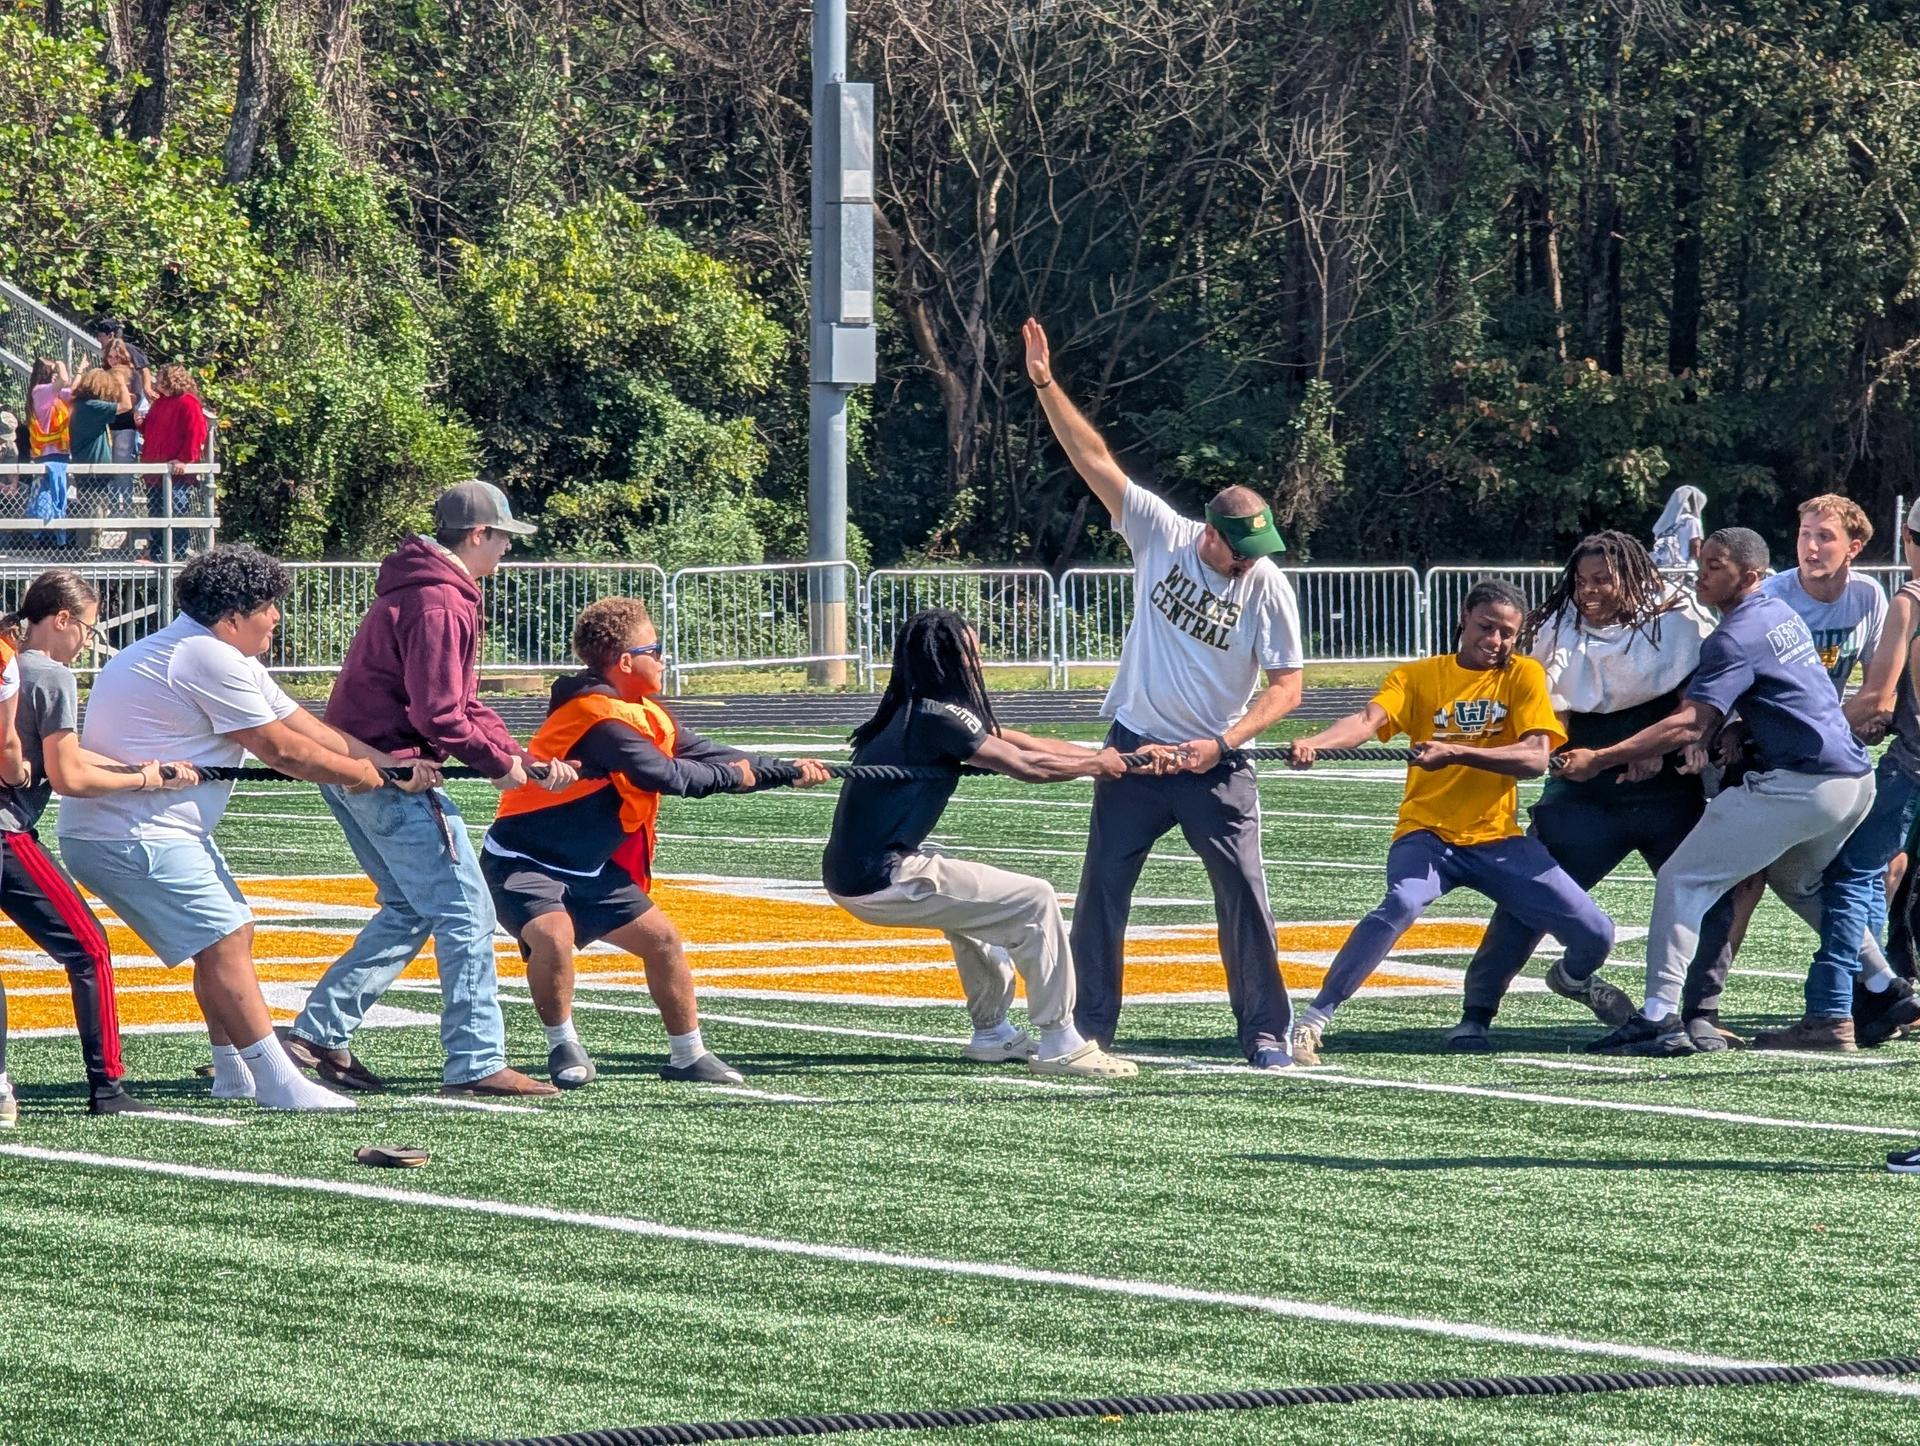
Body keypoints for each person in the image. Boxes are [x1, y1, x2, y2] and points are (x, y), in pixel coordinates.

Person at [57, 546, 439, 1110]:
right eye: (268, 606)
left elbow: (306, 727)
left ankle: (233, 1073)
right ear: (233, 617)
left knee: (227, 939)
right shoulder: (205, 658)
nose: (277, 618)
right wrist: (372, 777)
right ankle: (279, 1083)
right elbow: (284, 751)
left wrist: (391, 764)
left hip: (139, 830)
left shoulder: (208, 651)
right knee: (226, 940)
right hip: (131, 831)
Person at [1023, 317, 1304, 1067]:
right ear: (1209, 531)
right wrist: (1047, 385)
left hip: (1214, 763)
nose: (1246, 563)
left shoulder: (1267, 582)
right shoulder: (1162, 534)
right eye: (1236, 549)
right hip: (1136, 754)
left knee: (1244, 897)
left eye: (1257, 552)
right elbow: (1094, 457)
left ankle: (1265, 1031)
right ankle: (1088, 1029)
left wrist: (1225, 743)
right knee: (1101, 897)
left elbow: (1288, 687)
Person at [287, 481, 576, 1099]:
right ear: (478, 536)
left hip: (355, 769)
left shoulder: (423, 589)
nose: (505, 552)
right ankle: (474, 1062)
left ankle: (316, 1035)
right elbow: (441, 714)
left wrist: (516, 755)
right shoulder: (442, 602)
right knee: (465, 913)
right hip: (394, 773)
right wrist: (501, 767)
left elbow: (460, 704)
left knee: (409, 908)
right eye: (502, 539)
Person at [486, 597, 833, 1088]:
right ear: (626, 661)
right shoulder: (598, 718)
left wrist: (785, 769)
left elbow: (708, 753)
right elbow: (665, 775)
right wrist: (736, 777)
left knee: (663, 941)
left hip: (588, 866)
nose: (665, 659)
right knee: (554, 936)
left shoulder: (643, 712)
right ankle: (562, 1043)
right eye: (658, 649)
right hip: (525, 861)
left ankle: (688, 1055)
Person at [1559, 529, 1876, 1055]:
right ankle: (1886, 984)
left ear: (1749, 577)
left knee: (1683, 881)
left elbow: (1688, 722)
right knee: (1799, 884)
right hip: (1852, 781)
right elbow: (1787, 693)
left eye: (1715, 566)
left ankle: (1659, 1018)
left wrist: (1604, 756)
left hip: (1805, 784)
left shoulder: (1732, 635)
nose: (1701, 574)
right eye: (1701, 562)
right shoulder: (1777, 611)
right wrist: (1728, 731)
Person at [1285, 581, 1618, 1064]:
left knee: (1597, 934)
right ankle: (1314, 1019)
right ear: (1464, 618)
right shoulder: (1418, 676)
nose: (1496, 641)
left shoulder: (1523, 675)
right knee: (1400, 902)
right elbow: (1366, 719)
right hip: (1427, 835)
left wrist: (1457, 751)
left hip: (1497, 840)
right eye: (1486, 627)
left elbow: (1533, 757)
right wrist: (1318, 742)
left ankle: (1572, 978)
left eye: (1507, 633)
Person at [1448, 534, 1741, 1052]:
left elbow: (1698, 702)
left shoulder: (1677, 619)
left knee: (1709, 895)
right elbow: (1548, 714)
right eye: (1582, 581)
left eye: (1603, 580)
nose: (1590, 592)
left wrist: (1683, 744)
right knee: (1528, 896)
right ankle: (1478, 1010)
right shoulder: (1557, 632)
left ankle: (1699, 1012)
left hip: (1666, 793)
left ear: (1633, 578)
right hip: (1583, 792)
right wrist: (1568, 752)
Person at [823, 608, 1140, 1079]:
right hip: (880, 876)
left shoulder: (921, 710)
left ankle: (992, 1035)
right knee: (1034, 898)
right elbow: (1027, 767)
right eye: (971, 652)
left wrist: (1118, 757)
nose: (979, 662)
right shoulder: (938, 716)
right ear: (947, 659)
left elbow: (1027, 743)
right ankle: (1060, 1040)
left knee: (976, 913)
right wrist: (1097, 768)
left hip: (860, 874)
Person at [0, 571, 164, 1118]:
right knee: (90, 949)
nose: (86, 643)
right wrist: (142, 782)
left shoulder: (9, 662)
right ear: (62, 619)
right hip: (5, 833)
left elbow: (54, 761)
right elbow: (69, 777)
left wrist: (140, 769)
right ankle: (108, 1087)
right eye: (88, 630)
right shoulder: (50, 675)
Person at [139, 364, 209, 561]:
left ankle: (176, 552)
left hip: (175, 472)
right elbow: (150, 429)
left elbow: (196, 432)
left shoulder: (188, 402)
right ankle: (156, 551)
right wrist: (140, 424)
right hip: (154, 470)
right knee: (155, 511)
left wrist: (185, 458)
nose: (156, 382)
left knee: (177, 510)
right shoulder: (160, 403)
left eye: (160, 378)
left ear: (170, 380)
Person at [1649, 486, 1706, 570]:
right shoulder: (1692, 521)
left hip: (1660, 566)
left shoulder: (1666, 520)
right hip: (1682, 567)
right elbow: (1695, 546)